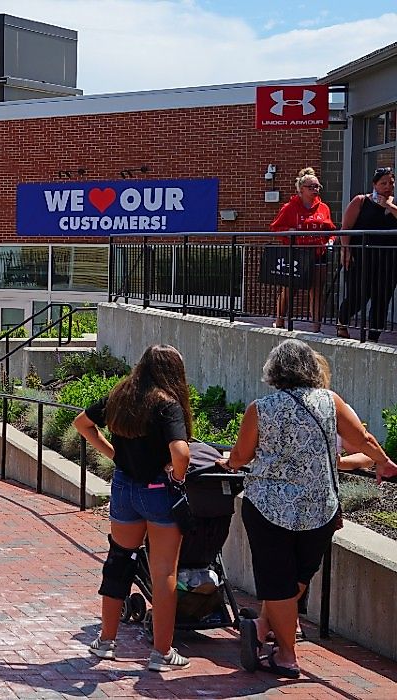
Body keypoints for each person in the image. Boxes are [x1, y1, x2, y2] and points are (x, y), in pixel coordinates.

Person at [221, 339, 397, 678]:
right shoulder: (330, 402)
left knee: (277, 581)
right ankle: (270, 633)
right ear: (312, 368)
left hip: (268, 507)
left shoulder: (261, 408)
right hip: (318, 507)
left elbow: (241, 457)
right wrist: (384, 463)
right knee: (300, 576)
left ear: (273, 371)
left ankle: (284, 652)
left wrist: (232, 459)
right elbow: (362, 439)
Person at [72, 344, 193, 672]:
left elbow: (82, 423)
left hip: (124, 487)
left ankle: (106, 641)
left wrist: (114, 455)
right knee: (164, 571)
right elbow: (181, 452)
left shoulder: (121, 396)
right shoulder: (167, 404)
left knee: (119, 562)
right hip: (158, 490)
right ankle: (162, 652)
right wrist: (177, 477)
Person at [270, 167, 336, 332]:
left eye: (317, 187)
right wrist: (291, 233)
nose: (315, 190)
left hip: (318, 254)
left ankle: (316, 328)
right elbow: (275, 228)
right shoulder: (290, 207)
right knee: (289, 290)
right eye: (311, 187)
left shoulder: (324, 208)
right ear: (300, 189)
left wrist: (330, 242)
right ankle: (279, 321)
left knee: (317, 291)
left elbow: (331, 230)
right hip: (297, 255)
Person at [336, 166, 397, 340]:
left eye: (391, 183)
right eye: (383, 183)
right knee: (358, 295)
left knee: (382, 298)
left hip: (388, 260)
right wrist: (345, 250)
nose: (387, 187)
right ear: (374, 184)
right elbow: (346, 227)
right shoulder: (361, 201)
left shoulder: (394, 204)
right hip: (361, 257)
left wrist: (389, 205)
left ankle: (373, 337)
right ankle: (342, 322)